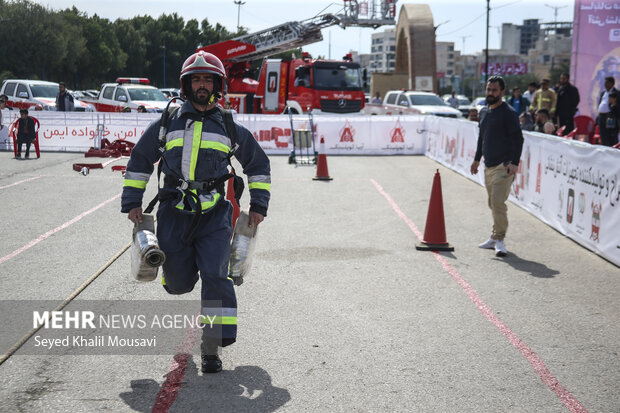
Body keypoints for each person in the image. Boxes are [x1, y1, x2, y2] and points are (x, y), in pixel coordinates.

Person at [121, 51, 271, 373]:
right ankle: (178, 278)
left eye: (208, 80)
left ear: (218, 85)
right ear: (186, 85)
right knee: (177, 283)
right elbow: (138, 161)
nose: (202, 86)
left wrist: (258, 205)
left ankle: (211, 346)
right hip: (174, 215)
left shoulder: (230, 127)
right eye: (196, 80)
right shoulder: (166, 123)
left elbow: (258, 165)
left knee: (217, 277)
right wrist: (132, 201)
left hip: (215, 216)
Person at [470, 76, 524, 257]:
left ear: (502, 92)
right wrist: (477, 159)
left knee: (498, 202)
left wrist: (514, 162)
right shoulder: (484, 111)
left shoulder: (508, 113)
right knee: (492, 203)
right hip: (488, 165)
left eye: (494, 90)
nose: (490, 93)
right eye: (488, 89)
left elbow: (518, 139)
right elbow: (481, 138)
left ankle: (500, 240)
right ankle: (494, 236)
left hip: (504, 165)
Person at [597, 76, 618, 147]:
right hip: (601, 116)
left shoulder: (616, 93)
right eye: (605, 83)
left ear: (612, 83)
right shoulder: (603, 92)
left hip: (610, 117)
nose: (605, 85)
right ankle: (604, 149)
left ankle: (612, 150)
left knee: (610, 135)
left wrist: (613, 106)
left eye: (607, 83)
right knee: (603, 135)